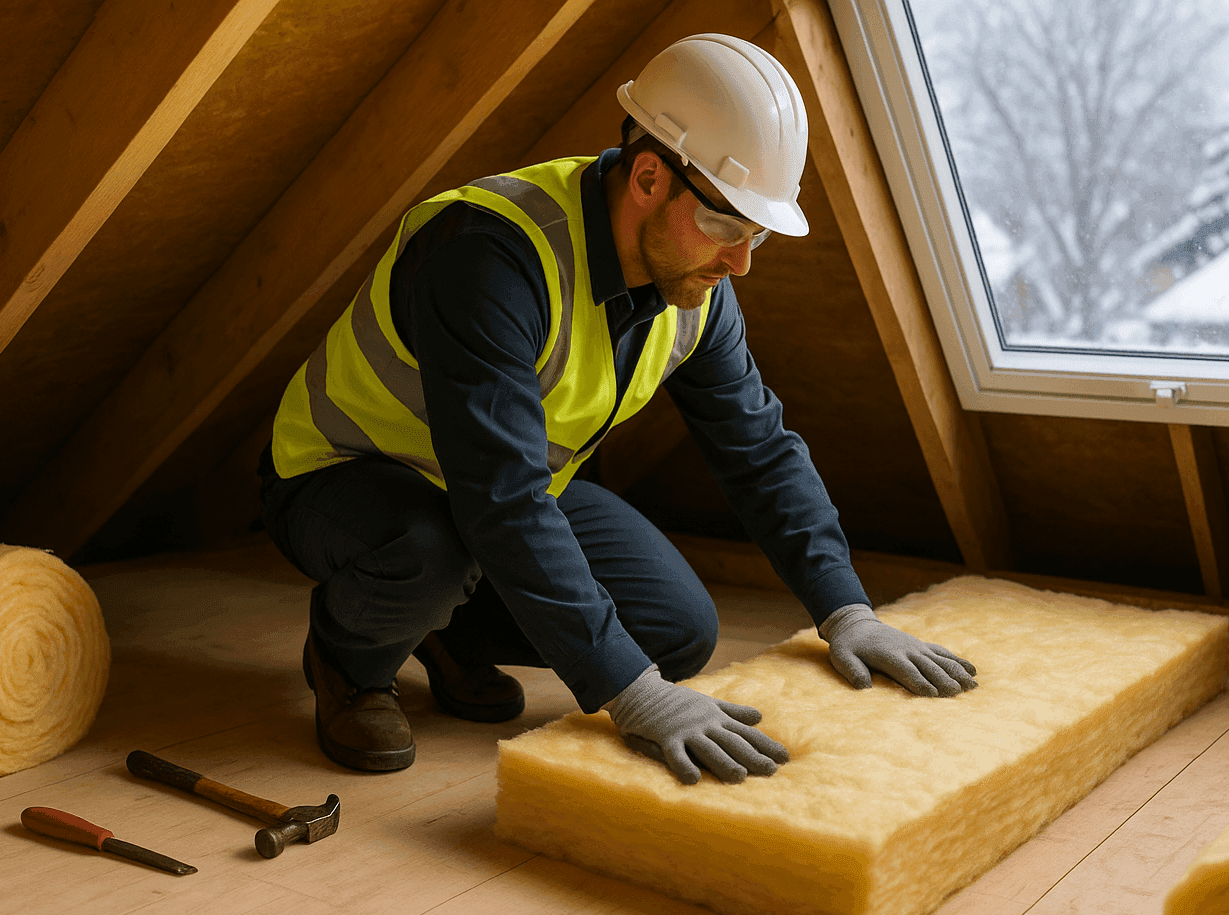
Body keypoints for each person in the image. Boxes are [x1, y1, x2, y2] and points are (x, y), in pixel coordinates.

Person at [258, 33, 977, 782]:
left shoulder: (696, 287)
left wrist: (844, 608)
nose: (741, 262)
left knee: (677, 630)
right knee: (430, 551)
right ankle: (347, 661)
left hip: (498, 496)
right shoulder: (489, 257)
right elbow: (500, 501)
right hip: (341, 477)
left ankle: (440, 629)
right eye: (727, 225)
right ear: (646, 177)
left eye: (756, 232)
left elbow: (758, 450)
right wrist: (633, 697)